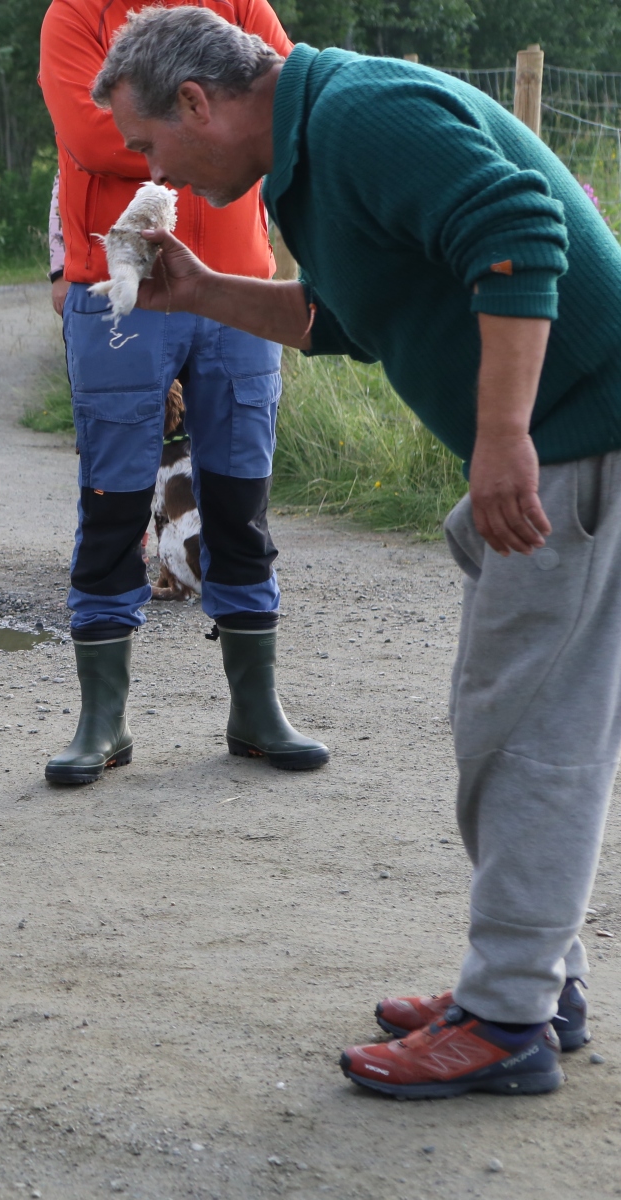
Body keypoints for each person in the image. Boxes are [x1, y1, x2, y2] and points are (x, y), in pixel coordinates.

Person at [91, 5, 621, 1098]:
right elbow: (348, 318)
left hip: (583, 433)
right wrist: (197, 289)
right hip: (570, 434)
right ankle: (532, 982)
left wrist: (503, 435)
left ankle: (509, 1017)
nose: (154, 170)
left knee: (526, 735)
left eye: (148, 143)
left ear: (197, 101)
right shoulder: (308, 151)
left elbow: (522, 228)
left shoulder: (364, 115)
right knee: (510, 724)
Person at [37, 0, 327, 785]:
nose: (157, 155)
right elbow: (89, 134)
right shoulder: (74, 15)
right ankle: (103, 721)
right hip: (118, 288)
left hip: (238, 284)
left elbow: (285, 107)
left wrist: (212, 132)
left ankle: (256, 710)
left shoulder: (241, 5)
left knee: (240, 498)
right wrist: (219, 135)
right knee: (113, 502)